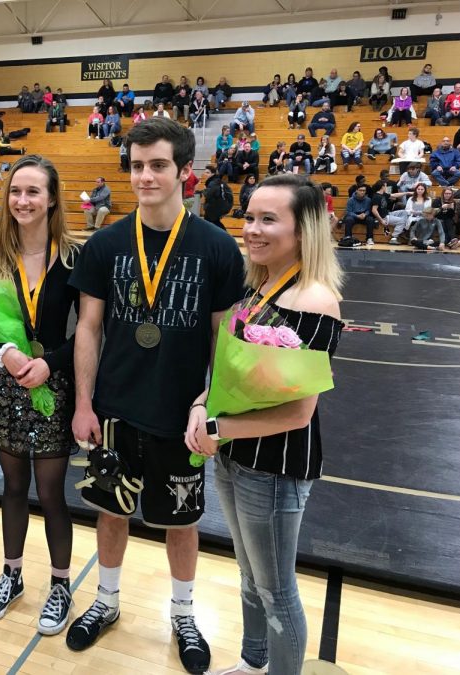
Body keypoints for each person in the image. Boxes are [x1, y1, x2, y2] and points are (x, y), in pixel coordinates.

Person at [66, 117, 244, 675]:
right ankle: (107, 601)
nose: (145, 176)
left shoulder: (217, 247)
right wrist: (84, 403)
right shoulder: (106, 243)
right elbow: (89, 328)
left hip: (181, 412)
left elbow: (225, 337)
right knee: (110, 512)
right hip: (116, 409)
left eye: (158, 165)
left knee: (181, 522)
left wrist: (212, 406)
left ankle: (184, 614)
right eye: (137, 165)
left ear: (185, 171)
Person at [192, 173, 343, 675]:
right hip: (238, 460)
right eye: (249, 217)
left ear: (304, 231)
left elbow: (299, 412)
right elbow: (230, 375)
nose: (252, 229)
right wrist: (202, 405)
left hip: (276, 470)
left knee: (276, 589)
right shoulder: (261, 289)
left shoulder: (314, 300)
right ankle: (253, 664)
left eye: (268, 220)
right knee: (249, 575)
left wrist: (217, 430)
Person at [0, 154, 80, 635]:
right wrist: (6, 353)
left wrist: (50, 363)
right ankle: (12, 575)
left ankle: (60, 585)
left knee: (53, 493)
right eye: (16, 192)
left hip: (55, 387)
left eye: (34, 192)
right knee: (13, 487)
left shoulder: (77, 258)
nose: (23, 200)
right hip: (8, 382)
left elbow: (93, 332)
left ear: (52, 198)